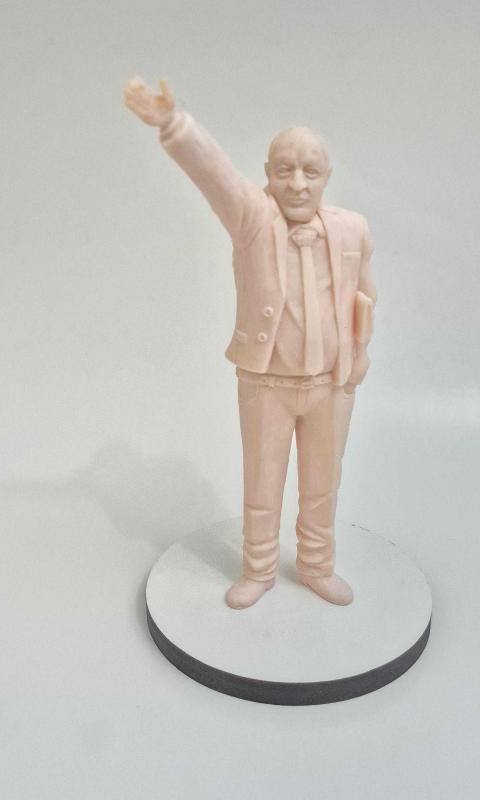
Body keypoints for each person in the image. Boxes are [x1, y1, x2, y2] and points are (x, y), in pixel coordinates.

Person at [124, 77, 376, 609]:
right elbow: (213, 174)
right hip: (267, 383)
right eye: (284, 170)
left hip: (330, 385)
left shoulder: (352, 229)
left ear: (328, 176)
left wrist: (358, 356)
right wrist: (173, 123)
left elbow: (365, 296)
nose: (298, 184)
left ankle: (317, 566)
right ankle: (258, 570)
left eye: (310, 171)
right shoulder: (253, 220)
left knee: (322, 485)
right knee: (262, 483)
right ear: (267, 174)